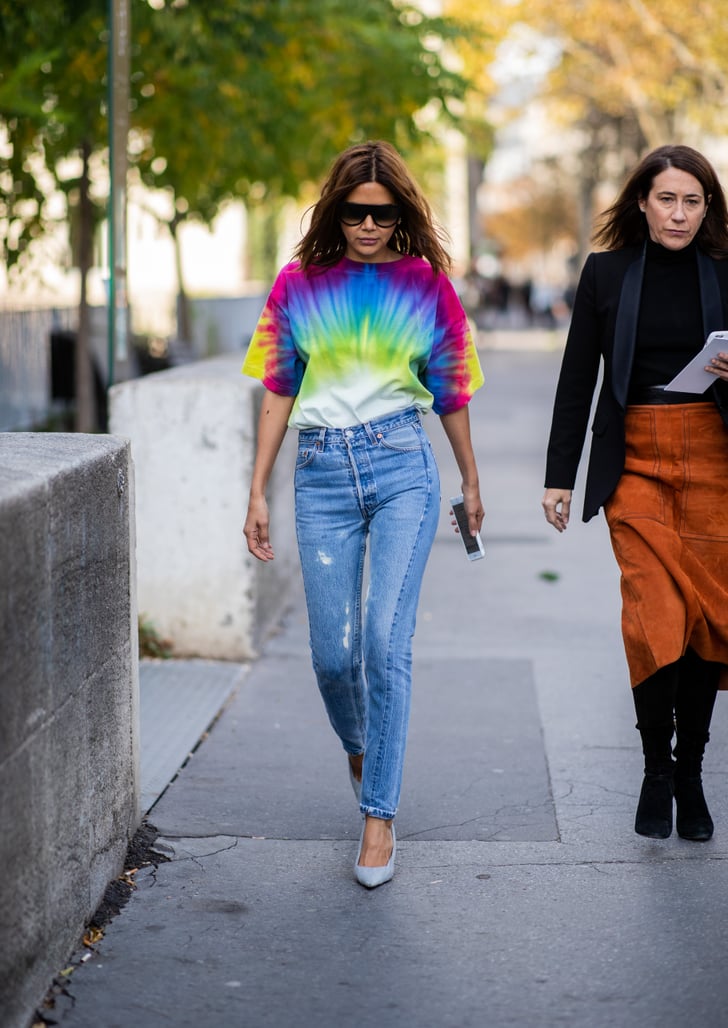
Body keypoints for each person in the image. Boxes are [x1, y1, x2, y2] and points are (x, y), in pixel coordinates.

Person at [242, 140, 484, 886]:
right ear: (336, 212)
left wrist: (470, 483)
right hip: (318, 475)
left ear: (401, 213)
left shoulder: (428, 284)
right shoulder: (297, 284)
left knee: (386, 643)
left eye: (383, 213)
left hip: (402, 467)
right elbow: (279, 389)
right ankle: (360, 744)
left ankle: (378, 818)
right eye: (356, 212)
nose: (370, 225)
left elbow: (450, 392)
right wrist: (257, 488)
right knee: (333, 656)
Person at [542, 144, 728, 842]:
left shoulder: (724, 271)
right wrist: (560, 477)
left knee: (709, 618)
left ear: (707, 208)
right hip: (639, 464)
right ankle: (656, 768)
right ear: (642, 203)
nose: (679, 213)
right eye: (667, 199)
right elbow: (576, 380)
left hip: (715, 460)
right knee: (654, 615)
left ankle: (692, 775)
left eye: (693, 201)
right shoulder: (607, 273)